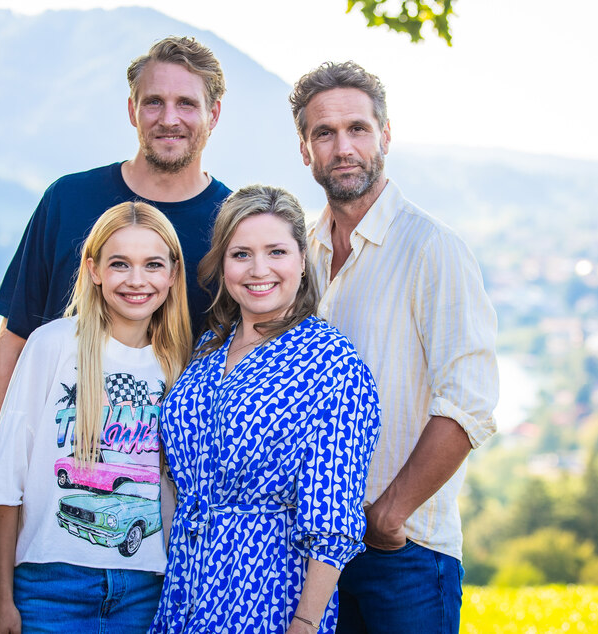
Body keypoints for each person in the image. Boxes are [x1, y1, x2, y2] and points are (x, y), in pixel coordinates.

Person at [289, 62, 499, 633]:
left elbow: (470, 401)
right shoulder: (297, 252)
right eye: (324, 134)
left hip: (403, 552)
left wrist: (390, 512)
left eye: (358, 128)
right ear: (305, 150)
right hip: (307, 556)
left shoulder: (433, 249)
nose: (343, 147)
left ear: (386, 134)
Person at [149, 185, 381, 634]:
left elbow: (334, 524)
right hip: (184, 592)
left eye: (276, 251)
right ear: (223, 263)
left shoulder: (332, 364)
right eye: (241, 254)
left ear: (301, 258)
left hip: (267, 598)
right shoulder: (208, 348)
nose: (259, 270)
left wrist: (305, 623)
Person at [0, 202, 193, 633]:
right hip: (50, 587)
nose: (137, 280)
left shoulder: (179, 365)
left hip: (147, 590)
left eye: (153, 265)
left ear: (173, 274)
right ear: (94, 269)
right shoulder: (51, 346)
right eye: (120, 264)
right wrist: (3, 601)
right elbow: (6, 476)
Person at [0, 35, 232, 438]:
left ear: (214, 114)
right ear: (133, 111)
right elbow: (16, 339)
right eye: (154, 101)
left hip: (171, 481)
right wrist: (4, 476)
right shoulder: (68, 199)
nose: (169, 118)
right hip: (56, 459)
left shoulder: (233, 226)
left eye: (186, 103)